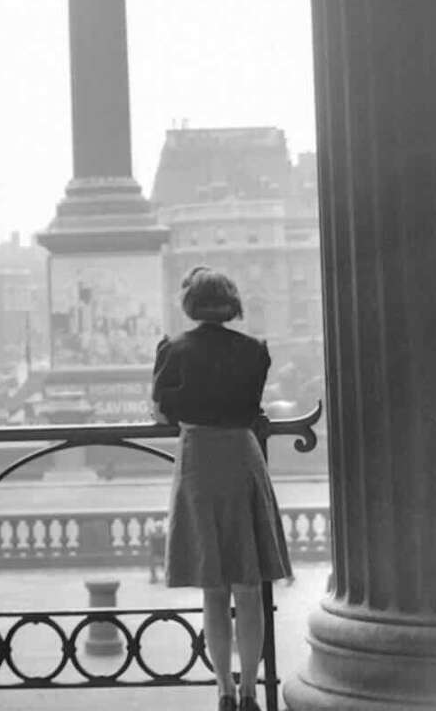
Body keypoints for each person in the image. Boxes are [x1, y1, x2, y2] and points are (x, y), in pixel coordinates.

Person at [151, 267, 292, 711]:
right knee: (248, 585)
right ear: (231, 303)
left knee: (214, 587)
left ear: (190, 304)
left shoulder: (173, 350)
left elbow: (161, 413)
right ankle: (251, 688)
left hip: (198, 461)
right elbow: (251, 407)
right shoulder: (255, 352)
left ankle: (224, 691)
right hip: (241, 456)